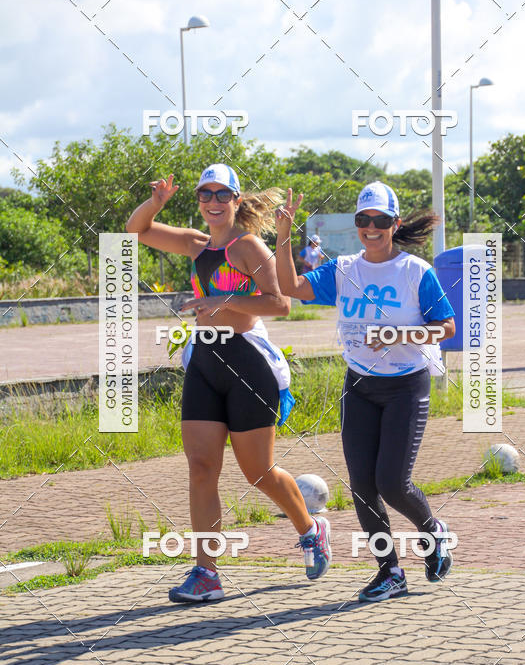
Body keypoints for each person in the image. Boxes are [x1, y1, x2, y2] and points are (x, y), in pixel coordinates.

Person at [125, 163, 332, 602]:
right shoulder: (196, 244)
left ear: (237, 200)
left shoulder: (248, 246)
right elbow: (136, 231)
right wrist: (155, 202)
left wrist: (223, 300)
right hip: (205, 361)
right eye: (206, 194)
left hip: (246, 365)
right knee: (201, 469)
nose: (214, 202)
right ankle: (207, 574)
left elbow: (279, 304)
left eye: (223, 194)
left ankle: (310, 529)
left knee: (258, 473)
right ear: (198, 200)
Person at [275, 181, 456, 602]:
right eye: (363, 219)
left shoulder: (415, 271)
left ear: (395, 223)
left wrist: (398, 334)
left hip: (406, 386)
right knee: (362, 487)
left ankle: (433, 532)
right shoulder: (344, 269)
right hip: (358, 385)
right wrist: (283, 236)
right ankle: (390, 572)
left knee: (392, 483)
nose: (371, 228)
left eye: (380, 220)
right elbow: (291, 287)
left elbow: (446, 327)